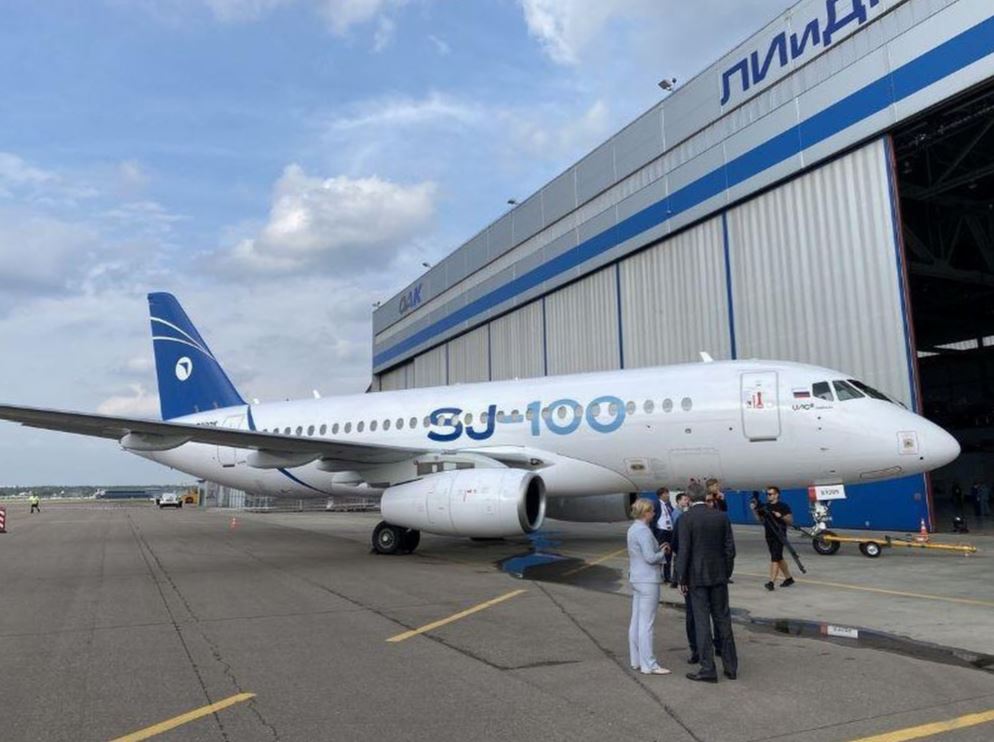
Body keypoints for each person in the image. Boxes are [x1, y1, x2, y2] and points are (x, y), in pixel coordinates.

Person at [675, 483, 738, 682]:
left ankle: (708, 668)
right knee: (723, 620)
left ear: (689, 498)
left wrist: (681, 578)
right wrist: (725, 572)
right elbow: (730, 549)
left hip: (696, 578)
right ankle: (731, 667)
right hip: (718, 576)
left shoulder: (685, 519)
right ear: (705, 496)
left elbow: (683, 551)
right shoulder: (721, 517)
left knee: (701, 623)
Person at [627, 497, 671, 676]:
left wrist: (657, 549)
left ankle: (636, 660)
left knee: (636, 621)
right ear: (645, 513)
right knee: (646, 624)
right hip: (648, 580)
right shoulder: (644, 531)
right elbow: (650, 558)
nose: (654, 513)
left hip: (636, 578)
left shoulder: (633, 529)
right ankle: (649, 665)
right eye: (652, 510)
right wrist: (663, 552)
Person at [752, 486, 794, 590]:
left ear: (776, 495)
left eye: (770, 494)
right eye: (767, 494)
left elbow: (790, 521)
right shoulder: (765, 506)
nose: (768, 496)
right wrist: (754, 510)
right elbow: (759, 520)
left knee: (775, 558)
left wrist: (781, 516)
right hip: (769, 535)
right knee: (778, 557)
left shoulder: (783, 506)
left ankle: (771, 582)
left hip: (779, 535)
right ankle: (789, 578)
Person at [653, 488, 675, 584]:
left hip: (669, 531)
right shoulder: (656, 504)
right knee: (660, 554)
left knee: (668, 554)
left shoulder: (668, 504)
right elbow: (653, 518)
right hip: (661, 532)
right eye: (666, 493)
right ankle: (657, 575)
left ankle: (667, 576)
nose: (668, 495)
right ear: (661, 495)